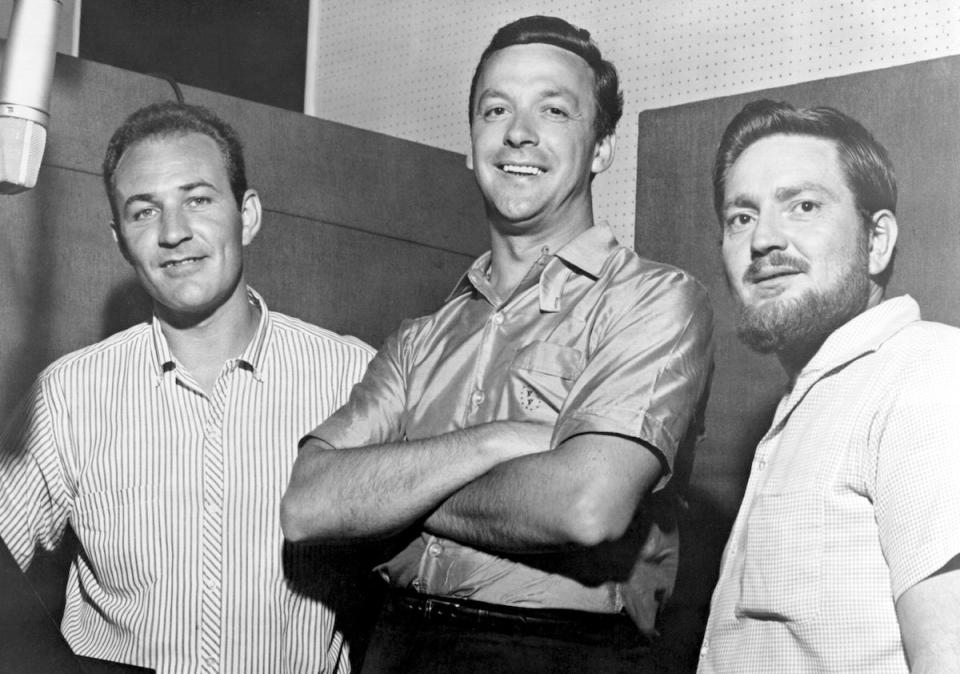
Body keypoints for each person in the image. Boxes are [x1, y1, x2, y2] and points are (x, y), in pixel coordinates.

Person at [282, 15, 713, 673]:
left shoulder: (653, 301)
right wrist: (495, 441)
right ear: (472, 142)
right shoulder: (418, 340)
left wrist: (387, 492)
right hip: (394, 645)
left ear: (601, 148)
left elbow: (586, 505)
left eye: (554, 110)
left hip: (553, 654)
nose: (519, 132)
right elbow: (309, 504)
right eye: (496, 109)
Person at [0, 102, 374, 672]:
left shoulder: (350, 378)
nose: (174, 232)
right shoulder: (70, 395)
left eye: (197, 200)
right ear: (120, 239)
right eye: (144, 212)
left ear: (247, 215)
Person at [698, 100, 960, 672]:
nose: (763, 238)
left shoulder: (927, 373)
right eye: (741, 217)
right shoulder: (805, 407)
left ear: (877, 241)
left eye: (804, 206)